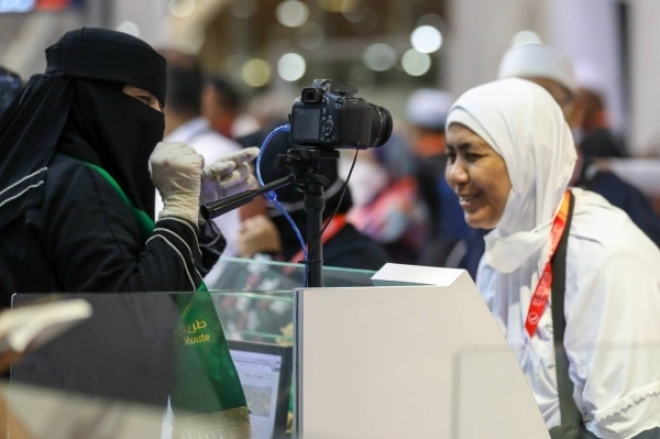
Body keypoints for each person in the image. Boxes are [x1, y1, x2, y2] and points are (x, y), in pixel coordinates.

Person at [0, 28, 253, 437]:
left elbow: (129, 280)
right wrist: (178, 212)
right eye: (142, 100)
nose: (154, 118)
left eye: (159, 104)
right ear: (93, 97)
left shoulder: (41, 173)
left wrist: (193, 215)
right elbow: (132, 319)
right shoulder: (81, 184)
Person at [445, 77, 660, 438]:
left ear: (527, 156)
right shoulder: (502, 247)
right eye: (451, 155)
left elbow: (629, 430)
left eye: (472, 155)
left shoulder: (604, 254)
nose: (454, 173)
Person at [236, 127, 390, 272]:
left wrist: (264, 259)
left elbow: (290, 292)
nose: (238, 196)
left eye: (248, 182)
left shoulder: (357, 262)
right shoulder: (258, 246)